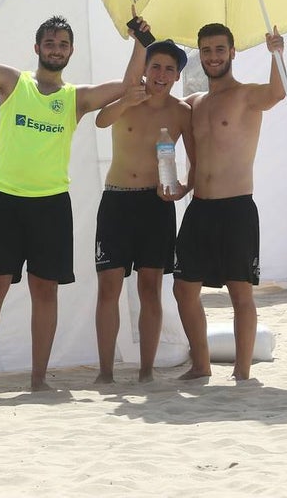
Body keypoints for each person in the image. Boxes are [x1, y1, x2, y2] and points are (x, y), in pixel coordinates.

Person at [0, 0, 145, 392]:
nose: (56, 49)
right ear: (37, 47)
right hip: (4, 200)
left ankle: (37, 380)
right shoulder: (12, 83)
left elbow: (125, 84)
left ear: (71, 52)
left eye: (63, 44)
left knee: (44, 289)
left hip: (51, 205)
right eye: (49, 42)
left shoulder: (76, 98)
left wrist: (140, 38)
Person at [173, 23, 286, 382]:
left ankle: (242, 371)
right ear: (200, 56)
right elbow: (156, 101)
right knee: (183, 289)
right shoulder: (194, 104)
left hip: (236, 207)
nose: (213, 56)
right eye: (206, 50)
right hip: (200, 207)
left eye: (220, 49)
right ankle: (201, 364)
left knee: (241, 293)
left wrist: (277, 53)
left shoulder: (246, 95)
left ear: (232, 52)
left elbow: (277, 93)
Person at [93, 39, 194, 384]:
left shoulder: (181, 112)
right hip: (117, 199)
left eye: (169, 69)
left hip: (156, 205)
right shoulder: (129, 96)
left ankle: (146, 371)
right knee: (109, 287)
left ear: (178, 76)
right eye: (155, 67)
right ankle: (105, 372)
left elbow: (195, 159)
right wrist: (125, 100)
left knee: (150, 288)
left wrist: (183, 187)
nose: (161, 75)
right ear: (145, 69)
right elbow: (101, 122)